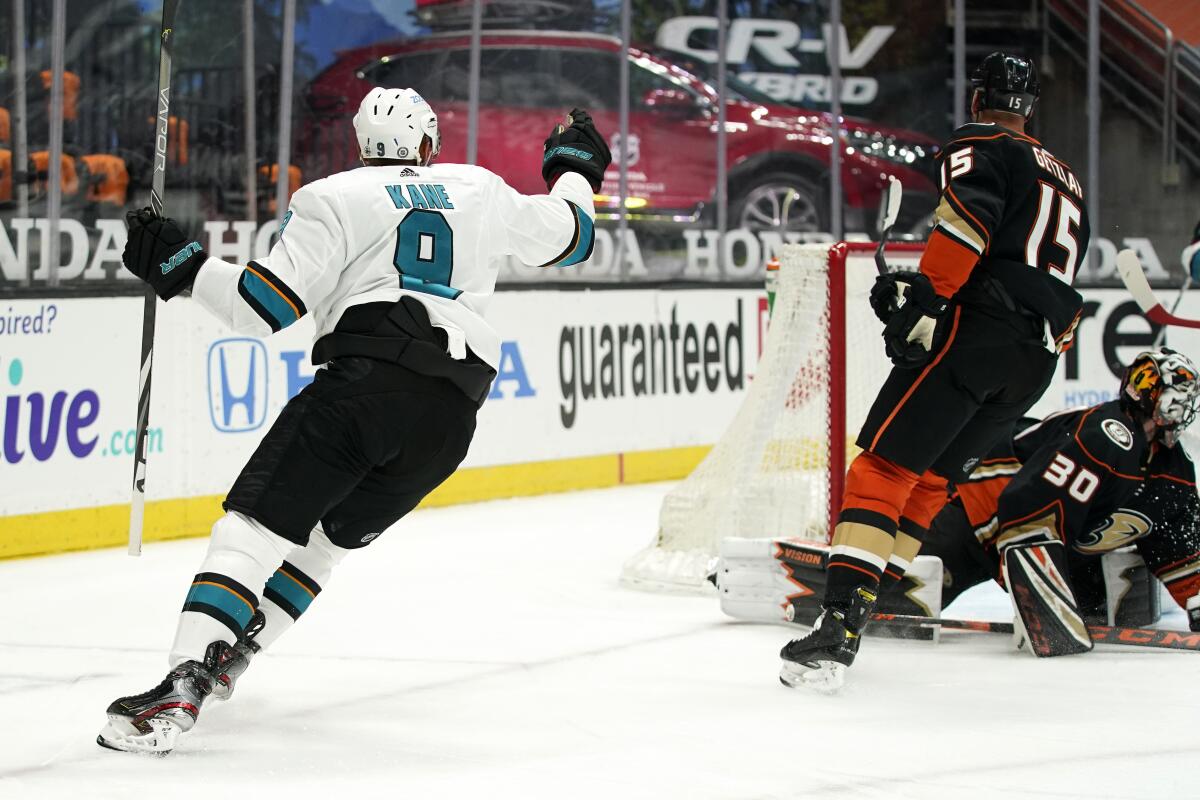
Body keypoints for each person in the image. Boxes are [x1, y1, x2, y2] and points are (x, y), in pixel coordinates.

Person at [96, 89, 611, 754]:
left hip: (364, 387)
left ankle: (184, 678)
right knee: (320, 548)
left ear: (361, 146)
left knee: (252, 527)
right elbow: (573, 235)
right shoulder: (479, 188)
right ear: (430, 147)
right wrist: (575, 168)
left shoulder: (333, 197)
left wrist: (182, 267)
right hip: (450, 420)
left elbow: (264, 309)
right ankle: (229, 659)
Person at [780, 52, 1090, 690]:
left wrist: (927, 301)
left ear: (979, 100)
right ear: (1030, 108)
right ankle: (880, 590)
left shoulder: (980, 143)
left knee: (882, 469)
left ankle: (839, 627)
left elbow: (966, 230)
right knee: (929, 481)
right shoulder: (1069, 178)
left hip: (980, 336)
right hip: (1036, 359)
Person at [879, 349, 1200, 634]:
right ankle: (851, 574)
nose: (1183, 408)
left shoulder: (1175, 473)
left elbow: (1180, 549)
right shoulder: (1105, 434)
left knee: (1095, 605)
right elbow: (1029, 509)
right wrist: (1044, 596)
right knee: (898, 597)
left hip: (1052, 541)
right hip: (981, 512)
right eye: (1178, 398)